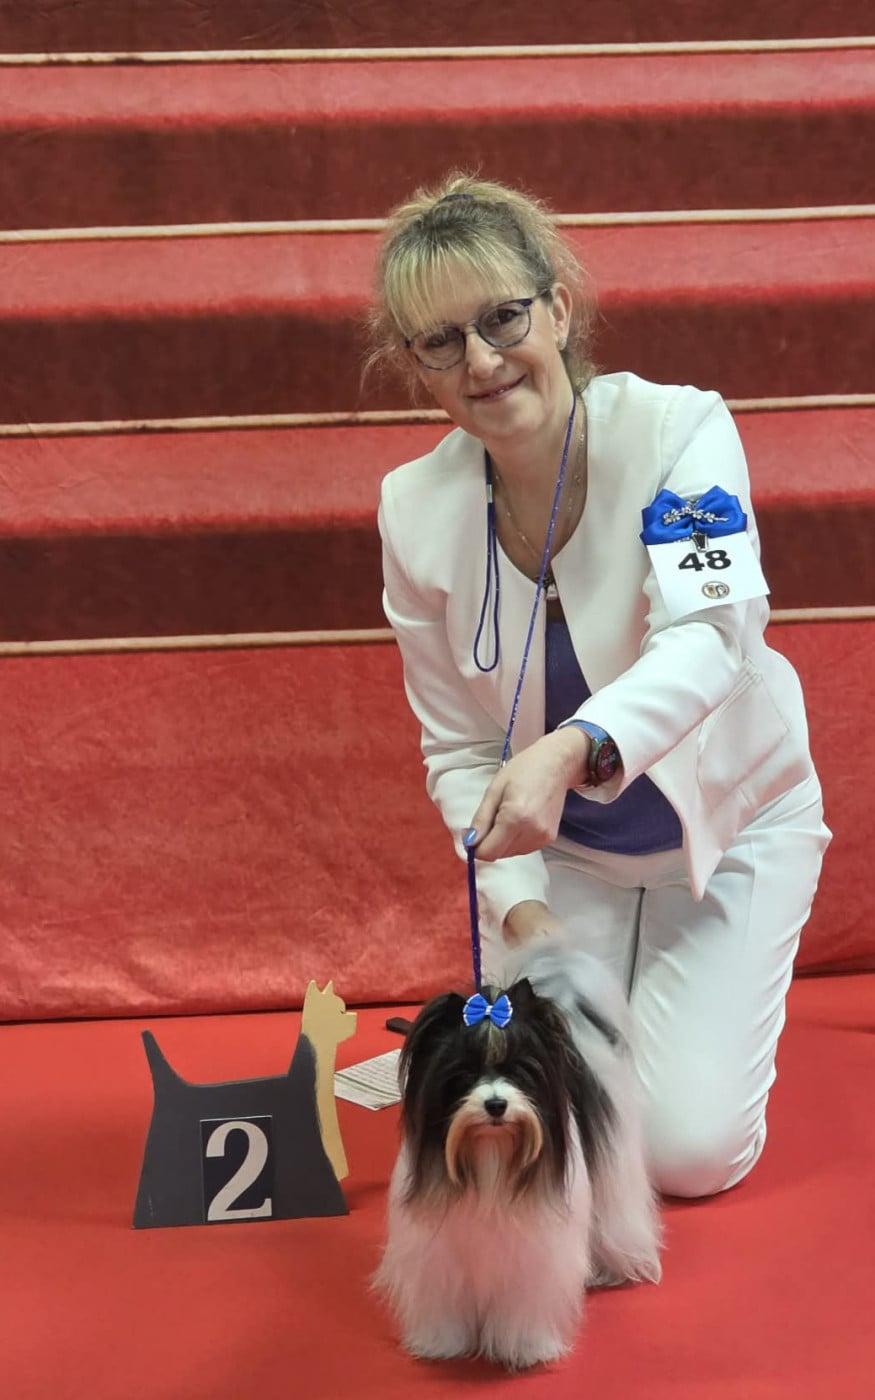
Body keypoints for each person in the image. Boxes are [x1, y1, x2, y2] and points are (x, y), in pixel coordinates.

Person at [370, 174, 830, 1199]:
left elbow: (711, 636)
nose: (481, 361)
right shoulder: (412, 507)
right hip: (566, 855)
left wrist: (571, 747)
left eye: (502, 318)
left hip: (726, 832)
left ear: (559, 309)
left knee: (681, 1155)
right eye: (440, 341)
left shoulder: (677, 432)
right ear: (415, 366)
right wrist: (523, 914)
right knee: (559, 1113)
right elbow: (457, 748)